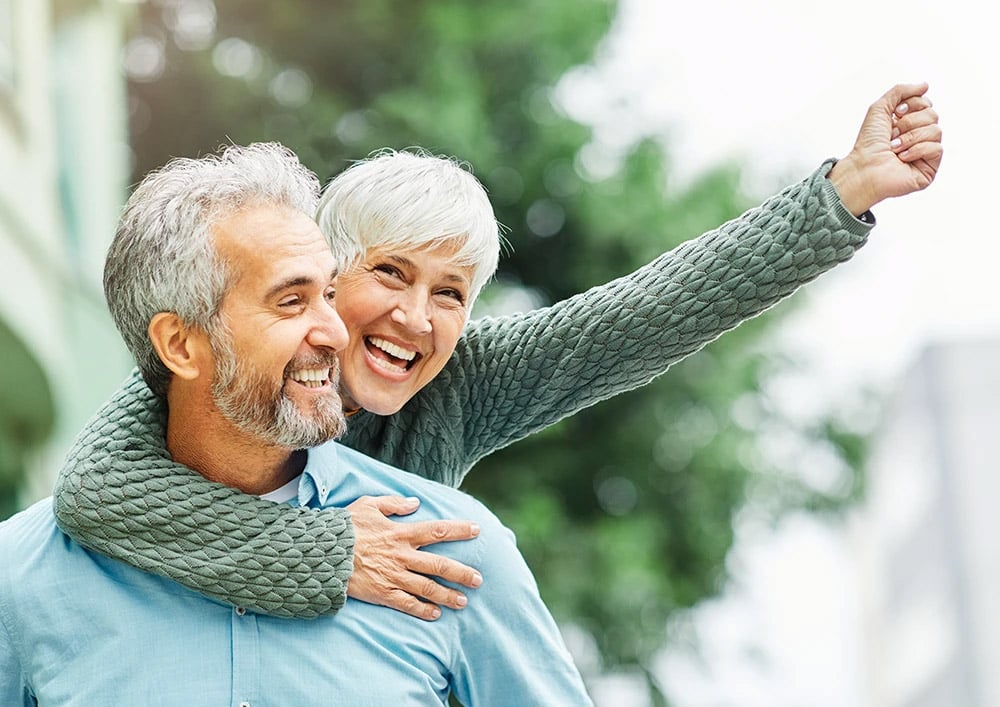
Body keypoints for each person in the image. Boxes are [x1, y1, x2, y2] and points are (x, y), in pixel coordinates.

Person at [53, 82, 943, 620]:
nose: (415, 316)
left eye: (450, 294)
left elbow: (645, 314)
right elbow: (94, 489)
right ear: (322, 273)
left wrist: (844, 194)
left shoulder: (462, 387)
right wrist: (326, 552)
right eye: (389, 274)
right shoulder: (220, 367)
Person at [0, 142, 593, 706]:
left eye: (330, 294)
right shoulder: (22, 576)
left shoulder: (452, 551)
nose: (336, 332)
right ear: (180, 345)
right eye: (291, 302)